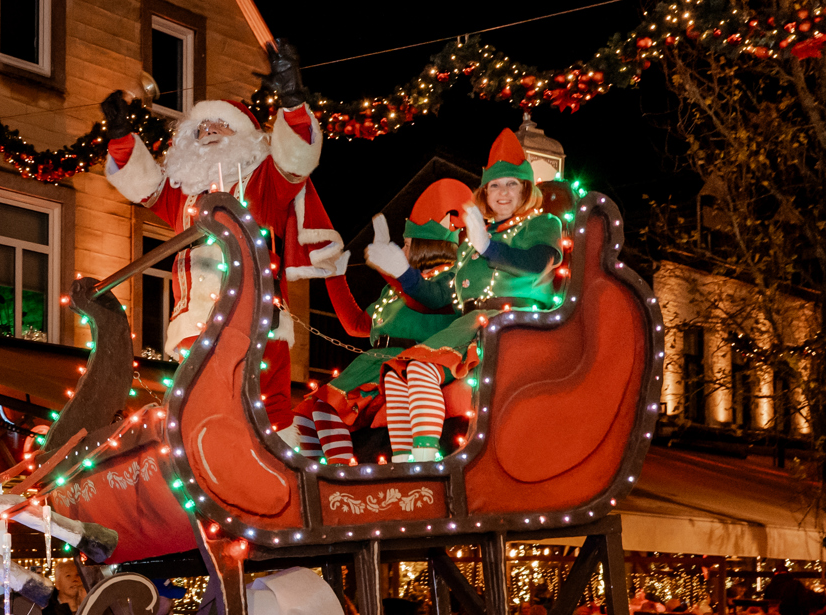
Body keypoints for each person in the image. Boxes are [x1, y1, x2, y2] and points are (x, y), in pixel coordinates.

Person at [98, 39, 348, 431]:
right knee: (206, 411)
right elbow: (143, 183)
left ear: (246, 136)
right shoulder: (181, 194)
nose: (209, 131)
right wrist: (120, 136)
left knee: (271, 413)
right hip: (197, 325)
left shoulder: (264, 183)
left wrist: (292, 101)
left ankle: (283, 465)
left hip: (260, 320)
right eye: (201, 128)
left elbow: (296, 158)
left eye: (221, 125)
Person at [387, 129, 566, 433]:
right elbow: (439, 295)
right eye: (495, 185)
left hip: (512, 325)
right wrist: (403, 272)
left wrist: (488, 247)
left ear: (526, 189)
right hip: (468, 327)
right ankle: (409, 458)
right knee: (400, 375)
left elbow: (537, 264)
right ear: (485, 193)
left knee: (419, 369)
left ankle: (424, 456)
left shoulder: (542, 223)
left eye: (512, 183)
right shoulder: (471, 244)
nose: (503, 192)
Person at [299, 179, 471, 463]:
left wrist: (392, 270)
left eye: (407, 244)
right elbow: (356, 325)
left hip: (400, 363)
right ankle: (316, 474)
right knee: (306, 414)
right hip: (369, 363)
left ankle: (341, 473)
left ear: (426, 247)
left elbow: (425, 299)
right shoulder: (393, 291)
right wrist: (334, 276)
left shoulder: (448, 280)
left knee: (327, 408)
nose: (401, 249)